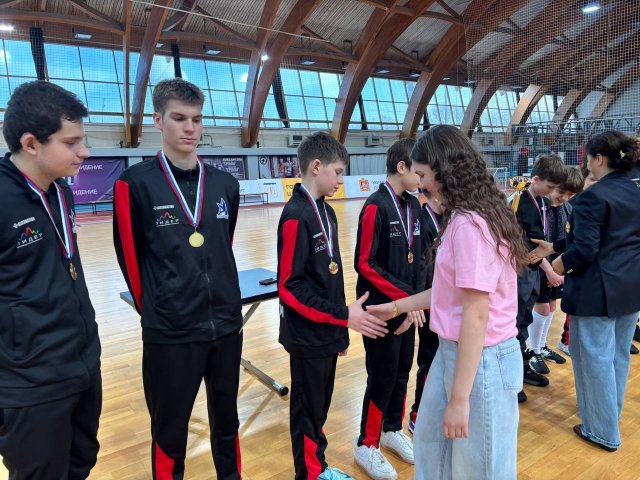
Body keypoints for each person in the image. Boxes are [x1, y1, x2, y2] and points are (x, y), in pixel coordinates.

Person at [368, 125, 529, 479]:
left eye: (423, 174)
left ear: (444, 169)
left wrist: (459, 399)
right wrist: (397, 307)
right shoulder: (461, 218)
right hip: (456, 352)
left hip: (481, 359)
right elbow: (448, 292)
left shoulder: (472, 224)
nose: (420, 184)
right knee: (432, 450)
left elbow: (476, 314)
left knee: (480, 468)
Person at [113, 78, 243, 479]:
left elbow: (222, 246)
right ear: (158, 120)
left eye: (197, 119)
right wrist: (159, 312)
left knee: (228, 422)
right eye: (179, 118)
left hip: (226, 327)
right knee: (170, 433)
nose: (190, 128)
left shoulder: (225, 185)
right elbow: (130, 261)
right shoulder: (134, 184)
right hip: (170, 333)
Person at [0, 81, 102, 479]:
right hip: (30, 384)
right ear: (31, 143)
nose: (84, 151)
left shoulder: (61, 192)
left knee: (81, 463)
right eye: (71, 142)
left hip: (81, 365)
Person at [277, 132, 389, 480]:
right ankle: (310, 474)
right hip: (306, 335)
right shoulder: (295, 216)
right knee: (307, 410)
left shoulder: (327, 212)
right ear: (316, 166)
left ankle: (318, 467)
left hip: (326, 331)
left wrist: (338, 331)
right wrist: (343, 317)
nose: (341, 180)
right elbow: (289, 287)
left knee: (320, 406)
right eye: (338, 172)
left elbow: (331, 277)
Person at [551, 130, 640, 452]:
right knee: (616, 358)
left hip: (597, 291)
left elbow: (585, 248)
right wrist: (557, 245)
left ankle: (601, 431)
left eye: (588, 157)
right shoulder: (634, 191)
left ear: (599, 159)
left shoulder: (594, 196)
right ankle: (607, 419)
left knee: (594, 361)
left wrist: (559, 263)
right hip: (629, 288)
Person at [353, 138, 426, 480]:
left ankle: (391, 429)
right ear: (401, 167)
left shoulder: (414, 206)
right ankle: (367, 443)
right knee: (381, 376)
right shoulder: (375, 206)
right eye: (418, 171)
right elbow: (364, 264)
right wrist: (406, 301)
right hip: (382, 311)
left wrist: (413, 303)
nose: (422, 177)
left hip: (407, 310)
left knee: (401, 371)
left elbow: (420, 259)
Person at [511, 154, 566, 402]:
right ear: (535, 179)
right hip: (521, 269)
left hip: (533, 270)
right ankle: (513, 377)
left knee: (524, 320)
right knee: (515, 323)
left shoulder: (541, 202)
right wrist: (550, 269)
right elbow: (535, 243)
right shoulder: (522, 202)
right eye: (550, 186)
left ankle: (522, 368)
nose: (552, 192)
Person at [527, 166, 582, 374]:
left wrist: (560, 269)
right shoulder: (541, 207)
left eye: (570, 195)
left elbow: (566, 240)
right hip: (541, 265)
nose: (564, 198)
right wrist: (550, 270)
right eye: (561, 192)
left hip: (556, 267)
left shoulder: (566, 208)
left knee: (550, 306)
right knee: (541, 307)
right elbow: (534, 244)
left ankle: (541, 346)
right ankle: (532, 351)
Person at [408, 190, 442, 434]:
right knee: (429, 360)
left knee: (444, 360)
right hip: (429, 302)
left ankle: (438, 409)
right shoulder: (422, 218)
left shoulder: (449, 218)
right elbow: (420, 265)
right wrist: (419, 299)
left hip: (447, 302)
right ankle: (418, 414)